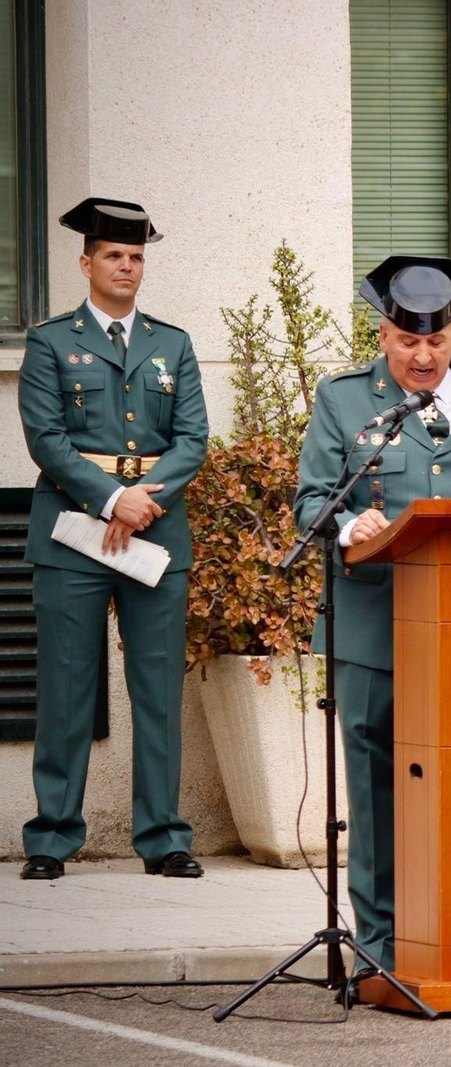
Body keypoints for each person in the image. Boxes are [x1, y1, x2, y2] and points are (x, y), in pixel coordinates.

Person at [293, 255, 451, 971]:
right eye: (409, 342)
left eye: (437, 342)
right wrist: (349, 527)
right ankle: (379, 947)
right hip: (375, 626)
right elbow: (312, 501)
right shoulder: (344, 399)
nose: (423, 357)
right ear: (384, 336)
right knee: (374, 795)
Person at [17, 197, 209, 880]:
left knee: (157, 690)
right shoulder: (48, 341)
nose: (126, 267)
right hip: (73, 532)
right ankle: (52, 835)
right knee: (67, 686)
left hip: (155, 531)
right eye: (113, 256)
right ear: (86, 262)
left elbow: (192, 440)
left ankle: (163, 837)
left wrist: (140, 502)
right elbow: (47, 439)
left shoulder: (172, 343)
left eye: (136, 257)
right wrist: (111, 499)